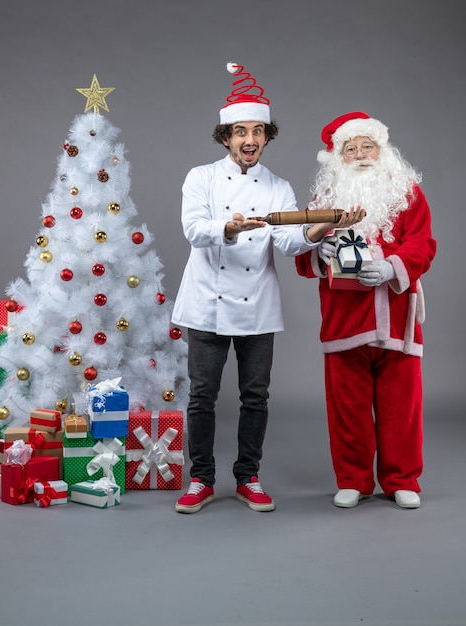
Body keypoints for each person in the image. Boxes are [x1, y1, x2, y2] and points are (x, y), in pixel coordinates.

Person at [171, 64, 363, 514]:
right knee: (202, 397)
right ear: (225, 137)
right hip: (206, 304)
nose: (250, 140)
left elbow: (290, 241)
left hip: (257, 303)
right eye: (240, 132)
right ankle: (200, 479)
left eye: (258, 131)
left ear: (267, 136)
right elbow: (194, 230)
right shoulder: (200, 177)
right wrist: (230, 228)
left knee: (255, 396)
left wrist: (324, 226)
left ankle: (248, 477)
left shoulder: (278, 187)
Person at [295, 111, 437, 509]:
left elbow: (423, 243)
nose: (360, 154)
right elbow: (302, 260)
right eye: (350, 148)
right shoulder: (325, 200)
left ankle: (401, 479)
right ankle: (354, 479)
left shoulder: (407, 192)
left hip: (397, 319)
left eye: (367, 146)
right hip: (345, 320)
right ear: (338, 157)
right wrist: (318, 253)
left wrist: (393, 266)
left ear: (381, 150)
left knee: (401, 407)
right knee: (347, 408)